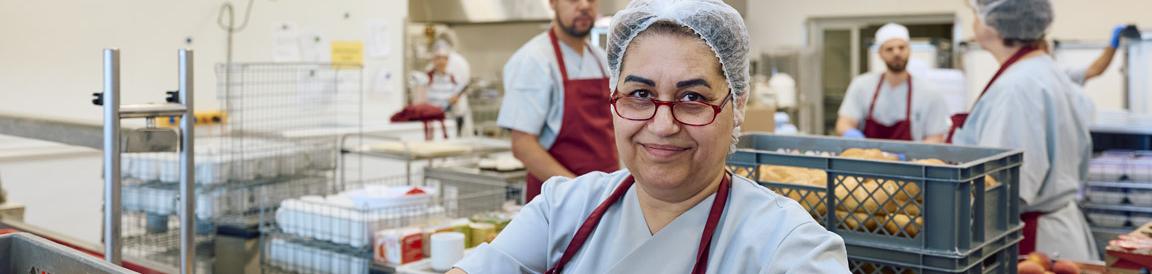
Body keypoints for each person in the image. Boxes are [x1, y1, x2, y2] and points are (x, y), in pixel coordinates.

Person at [448, 1, 850, 273]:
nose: (662, 125)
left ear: (736, 104)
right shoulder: (563, 209)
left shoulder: (789, 246)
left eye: (692, 98)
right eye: (640, 94)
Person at [951, 0, 1097, 261]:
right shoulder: (1043, 71)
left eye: (976, 12)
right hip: (1058, 231)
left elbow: (1003, 188)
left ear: (993, 22)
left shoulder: (1017, 89)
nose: (973, 19)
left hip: (1034, 244)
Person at [497, 0, 617, 201]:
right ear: (553, 3)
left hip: (606, 191)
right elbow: (523, 145)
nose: (584, 6)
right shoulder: (534, 60)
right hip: (558, 201)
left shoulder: (600, 58)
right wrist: (577, 192)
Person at [835, 23, 951, 143]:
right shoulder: (861, 85)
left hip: (911, 161)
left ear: (909, 50)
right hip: (867, 158)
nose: (896, 53)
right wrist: (850, 133)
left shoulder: (930, 93)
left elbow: (936, 137)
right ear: (880, 54)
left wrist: (910, 155)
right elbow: (844, 123)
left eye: (901, 47)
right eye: (889, 49)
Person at [419, 48, 474, 138]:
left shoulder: (452, 79)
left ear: (448, 61)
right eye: (438, 58)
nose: (441, 61)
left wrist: (454, 101)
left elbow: (457, 101)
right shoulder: (426, 79)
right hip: (430, 123)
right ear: (434, 60)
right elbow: (421, 103)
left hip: (449, 123)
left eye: (444, 58)